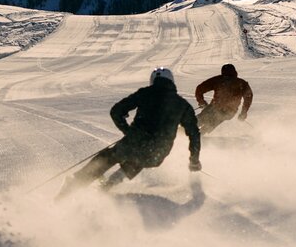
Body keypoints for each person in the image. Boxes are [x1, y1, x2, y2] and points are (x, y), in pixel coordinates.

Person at [57, 67, 201, 198]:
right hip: (159, 153)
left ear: (153, 80)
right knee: (138, 160)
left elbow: (116, 111)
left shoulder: (145, 93)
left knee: (108, 157)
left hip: (133, 143)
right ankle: (106, 188)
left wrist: (128, 131)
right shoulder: (183, 105)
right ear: (172, 81)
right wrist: (194, 160)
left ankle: (74, 186)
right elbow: (194, 133)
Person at [194, 63, 253, 136]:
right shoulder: (241, 83)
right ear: (235, 72)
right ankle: (196, 133)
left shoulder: (219, 80)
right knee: (207, 120)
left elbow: (199, 89)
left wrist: (201, 102)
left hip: (221, 109)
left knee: (205, 119)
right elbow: (248, 97)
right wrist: (244, 112)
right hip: (225, 109)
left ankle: (192, 133)